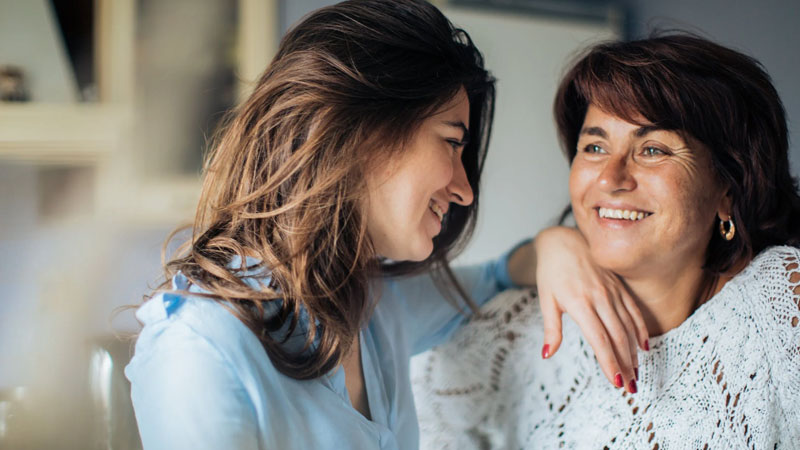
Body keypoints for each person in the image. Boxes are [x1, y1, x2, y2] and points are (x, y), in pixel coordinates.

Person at [124, 1, 647, 449]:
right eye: (451, 141)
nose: (464, 189)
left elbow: (493, 278)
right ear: (362, 134)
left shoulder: (371, 304)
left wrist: (555, 244)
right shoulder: (199, 349)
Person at [412, 33, 800, 449]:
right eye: (595, 146)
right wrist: (550, 242)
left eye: (652, 149)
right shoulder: (514, 332)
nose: (610, 178)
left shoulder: (780, 305)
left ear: (727, 187)